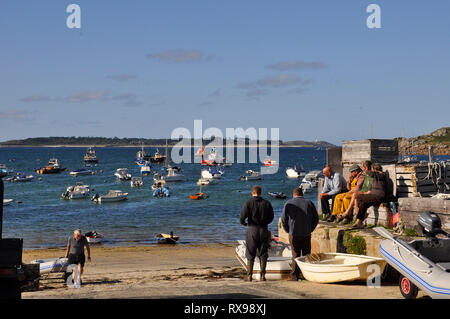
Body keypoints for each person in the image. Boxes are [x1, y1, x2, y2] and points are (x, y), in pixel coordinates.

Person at [281, 187, 319, 281]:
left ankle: (294, 276)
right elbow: (316, 218)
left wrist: (287, 230)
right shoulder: (309, 203)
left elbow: (283, 219)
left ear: (294, 195)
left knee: (295, 254)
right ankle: (307, 275)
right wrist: (310, 229)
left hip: (294, 233)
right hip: (306, 232)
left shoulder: (289, 203)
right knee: (306, 254)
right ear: (302, 194)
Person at [240, 186, 274, 282]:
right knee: (263, 253)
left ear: (252, 193)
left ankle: (249, 275)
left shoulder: (248, 203)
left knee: (250, 253)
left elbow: (242, 216)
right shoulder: (267, 203)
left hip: (252, 229)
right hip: (264, 229)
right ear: (261, 193)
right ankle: (263, 275)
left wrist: (243, 223)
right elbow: (271, 217)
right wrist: (266, 223)